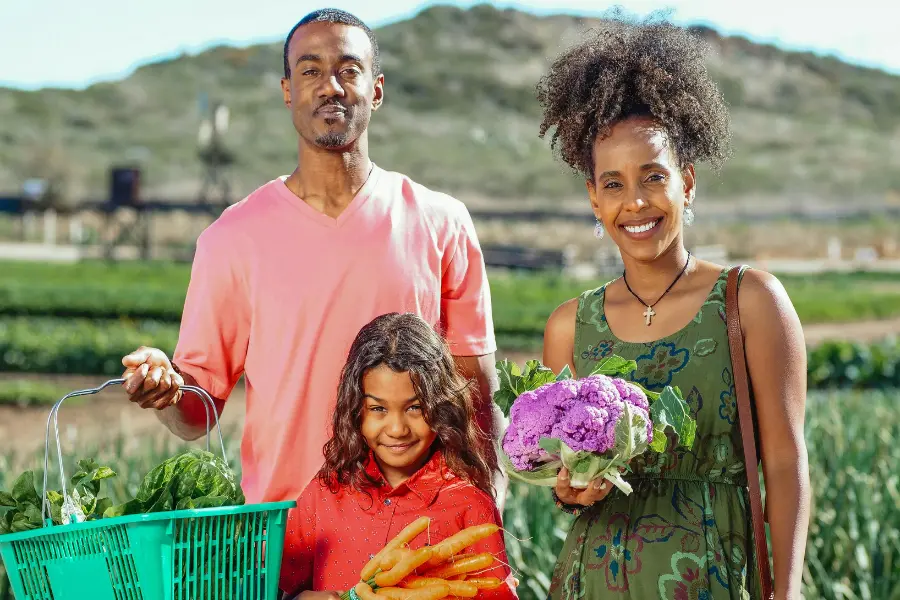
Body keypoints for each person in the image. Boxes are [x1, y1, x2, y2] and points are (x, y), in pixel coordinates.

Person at [118, 8, 506, 508]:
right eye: (310, 71)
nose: (331, 87)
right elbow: (198, 414)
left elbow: (477, 399)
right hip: (286, 534)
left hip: (414, 531)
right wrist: (168, 391)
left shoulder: (442, 222)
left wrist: (488, 512)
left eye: (349, 70)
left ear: (377, 88)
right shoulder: (232, 238)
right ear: (287, 91)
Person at [535, 12, 810, 600]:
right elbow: (563, 481)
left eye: (652, 177)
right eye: (613, 183)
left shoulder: (750, 301)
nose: (635, 202)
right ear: (592, 197)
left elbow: (786, 467)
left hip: (715, 582)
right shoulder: (569, 327)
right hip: (590, 582)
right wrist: (570, 487)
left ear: (686, 182)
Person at [278, 313, 517, 600]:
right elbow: (277, 588)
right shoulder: (324, 492)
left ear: (441, 408)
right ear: (355, 410)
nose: (397, 429)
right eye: (378, 409)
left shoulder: (470, 505)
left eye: (415, 408)